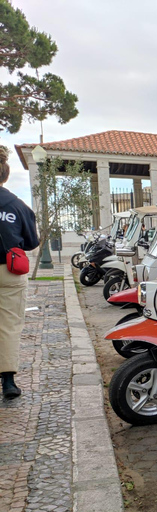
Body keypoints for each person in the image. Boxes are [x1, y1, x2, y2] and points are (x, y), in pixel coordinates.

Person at [0, 147, 39, 399]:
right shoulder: (17, 205)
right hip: (9, 271)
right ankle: (8, 382)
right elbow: (32, 241)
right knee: (8, 326)